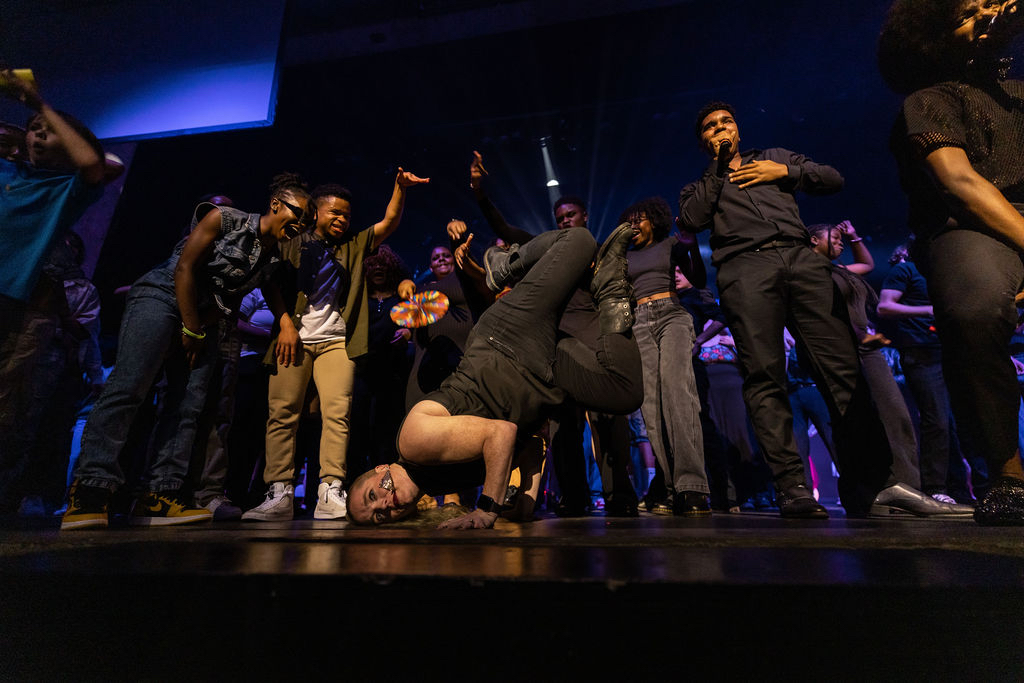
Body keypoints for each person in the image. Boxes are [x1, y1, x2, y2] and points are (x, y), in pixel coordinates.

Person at [679, 101, 969, 519]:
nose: (721, 129)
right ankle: (793, 488)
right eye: (710, 127)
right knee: (764, 376)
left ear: (739, 128)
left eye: (727, 122)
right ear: (704, 141)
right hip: (745, 269)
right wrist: (718, 168)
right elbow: (691, 217)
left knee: (842, 370)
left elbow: (833, 179)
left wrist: (786, 173)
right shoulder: (701, 184)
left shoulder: (774, 158)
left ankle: (876, 485)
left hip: (802, 260)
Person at [348, 222, 642, 528]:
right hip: (543, 376)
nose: (385, 503)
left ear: (380, 468)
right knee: (626, 392)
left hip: (508, 342)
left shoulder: (412, 443)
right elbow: (526, 447)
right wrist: (521, 507)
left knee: (578, 239)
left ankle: (503, 266)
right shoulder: (436, 482)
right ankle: (613, 293)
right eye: (380, 515)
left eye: (373, 495)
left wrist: (488, 508)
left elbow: (499, 434)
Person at [61, 174, 313, 529]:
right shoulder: (224, 218)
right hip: (163, 296)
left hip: (205, 316)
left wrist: (279, 322)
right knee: (129, 388)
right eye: (297, 213)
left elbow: (242, 297)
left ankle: (157, 496)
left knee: (186, 405)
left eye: (305, 221)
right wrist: (191, 327)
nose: (300, 224)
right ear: (276, 204)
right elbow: (184, 268)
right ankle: (89, 491)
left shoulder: (271, 262)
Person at [879, 0, 1024, 523]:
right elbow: (959, 185)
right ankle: (1006, 474)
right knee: (974, 307)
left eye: (988, 2)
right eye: (967, 13)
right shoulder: (931, 99)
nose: (987, 13)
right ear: (935, 38)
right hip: (973, 223)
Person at [243, 170, 428, 522]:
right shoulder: (292, 241)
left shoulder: (354, 246)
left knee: (338, 415)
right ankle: (279, 492)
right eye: (335, 213)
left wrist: (399, 188)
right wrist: (283, 323)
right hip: (293, 338)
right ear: (315, 212)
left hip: (336, 342)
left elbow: (388, 222)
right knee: (282, 414)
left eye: (346, 214)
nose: (343, 219)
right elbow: (270, 283)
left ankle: (330, 490)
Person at [463, 151, 639, 516]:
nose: (564, 222)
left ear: (584, 216)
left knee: (609, 422)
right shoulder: (550, 253)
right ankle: (574, 496)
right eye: (559, 218)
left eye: (570, 216)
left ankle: (620, 496)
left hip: (595, 334)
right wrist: (480, 192)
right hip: (558, 344)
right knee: (563, 426)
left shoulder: (600, 254)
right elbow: (504, 230)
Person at [0, 71, 113, 515]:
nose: (37, 134)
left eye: (48, 131)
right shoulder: (8, 170)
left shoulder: (65, 189)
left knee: (7, 411)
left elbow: (93, 164)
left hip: (15, 306)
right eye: (33, 132)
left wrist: (38, 105)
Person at [808, 223, 922, 491]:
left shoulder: (837, 270)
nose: (841, 243)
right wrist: (860, 335)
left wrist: (854, 236)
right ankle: (885, 488)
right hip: (849, 348)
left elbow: (866, 264)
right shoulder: (812, 274)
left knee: (894, 417)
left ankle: (902, 485)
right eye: (834, 238)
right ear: (813, 240)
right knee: (873, 419)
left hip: (866, 347)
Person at [621, 196, 710, 515]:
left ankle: (693, 486)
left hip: (671, 314)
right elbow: (619, 298)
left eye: (640, 218)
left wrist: (691, 243)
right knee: (651, 405)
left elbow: (698, 280)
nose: (635, 224)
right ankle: (672, 487)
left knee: (677, 393)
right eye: (630, 219)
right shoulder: (624, 255)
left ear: (655, 220)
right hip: (639, 322)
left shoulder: (672, 243)